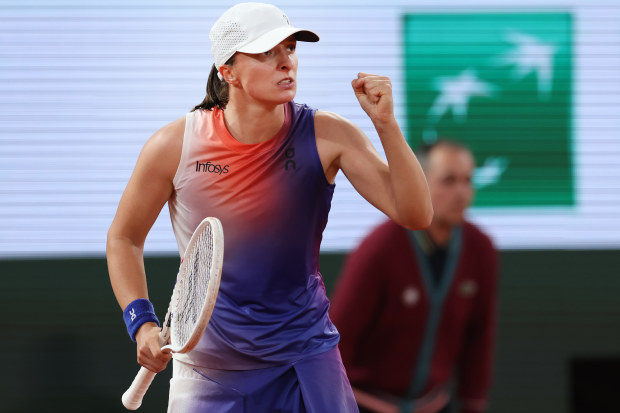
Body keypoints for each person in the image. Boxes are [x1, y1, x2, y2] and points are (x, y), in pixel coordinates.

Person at [106, 2, 433, 412]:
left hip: (306, 358)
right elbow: (124, 237)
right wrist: (142, 324)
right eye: (266, 53)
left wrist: (386, 125)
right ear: (228, 72)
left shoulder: (328, 134)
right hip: (209, 371)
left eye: (291, 49)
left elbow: (417, 214)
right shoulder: (173, 146)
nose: (286, 63)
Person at [330, 140, 499, 413]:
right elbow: (340, 336)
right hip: (369, 403)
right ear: (421, 183)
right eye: (449, 181)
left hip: (433, 404)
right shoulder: (380, 247)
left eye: (467, 181)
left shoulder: (481, 249)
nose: (461, 192)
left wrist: (473, 402)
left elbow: (479, 335)